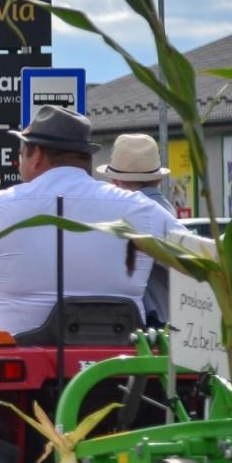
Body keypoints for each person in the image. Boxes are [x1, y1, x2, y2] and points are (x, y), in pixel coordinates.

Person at [0, 106, 183, 337]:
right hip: (120, 357)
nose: (19, 164)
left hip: (12, 352)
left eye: (21, 155)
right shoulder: (141, 209)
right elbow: (200, 261)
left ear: (36, 155)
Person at [98, 132, 178, 325]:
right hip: (165, 314)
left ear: (117, 181)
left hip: (147, 317)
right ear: (158, 179)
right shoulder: (166, 210)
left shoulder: (136, 214)